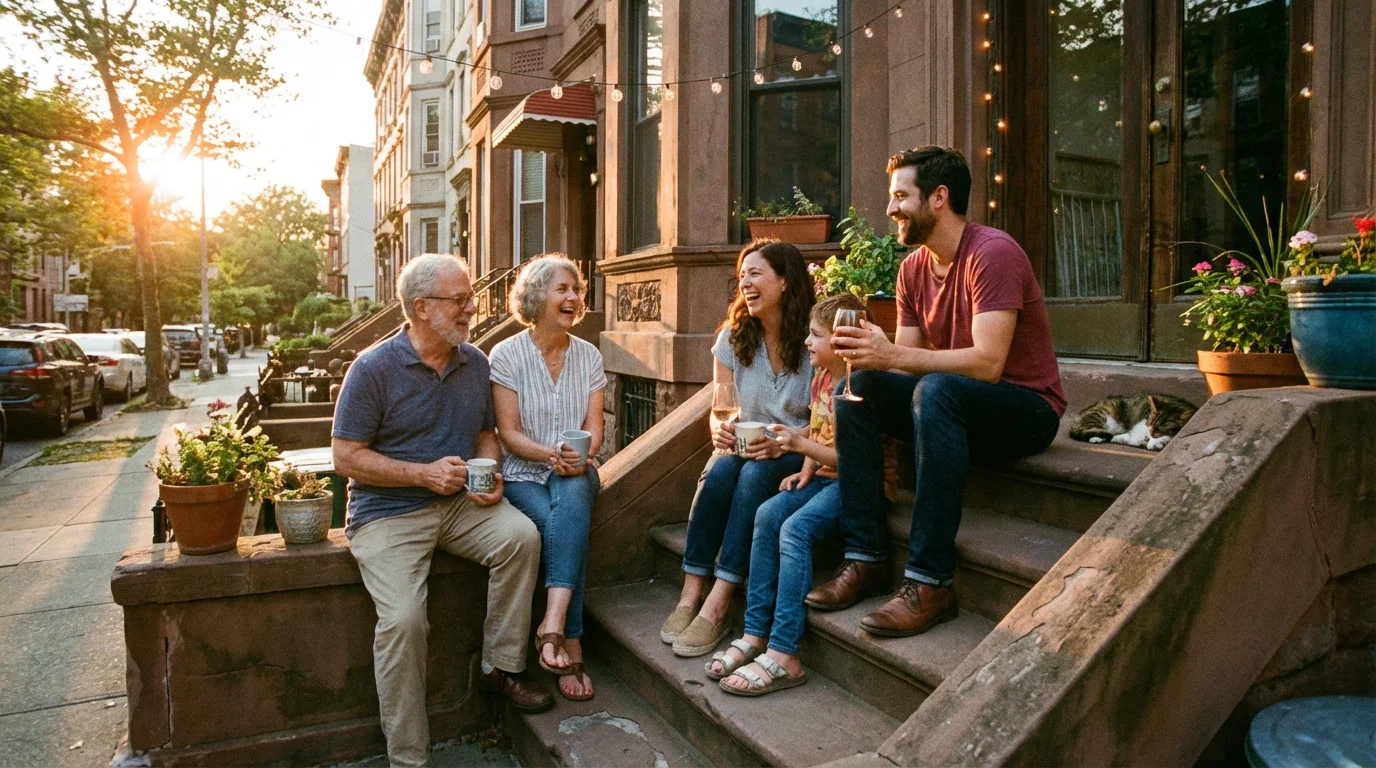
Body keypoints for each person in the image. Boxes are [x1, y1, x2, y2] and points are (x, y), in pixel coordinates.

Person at [809, 146, 1067, 637]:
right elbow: (904, 363)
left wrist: (895, 358)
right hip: (954, 407)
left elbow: (989, 364)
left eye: (900, 196)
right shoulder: (913, 269)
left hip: (1026, 409)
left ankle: (930, 582)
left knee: (937, 391)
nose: (890, 209)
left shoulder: (992, 254)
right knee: (858, 386)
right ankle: (865, 557)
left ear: (938, 198)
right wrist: (873, 363)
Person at [332, 253, 551, 768]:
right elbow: (346, 457)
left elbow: (485, 434)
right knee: (405, 620)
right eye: (460, 300)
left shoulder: (474, 362)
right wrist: (421, 473)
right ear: (421, 308)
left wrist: (490, 473)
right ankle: (409, 757)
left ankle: (500, 666)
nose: (471, 308)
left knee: (521, 537)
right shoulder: (372, 368)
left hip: (457, 506)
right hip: (386, 513)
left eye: (470, 298)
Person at [711, 294, 898, 696]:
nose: (807, 343)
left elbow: (856, 462)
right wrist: (805, 470)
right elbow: (818, 431)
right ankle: (755, 633)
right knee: (767, 514)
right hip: (823, 477)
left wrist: (800, 448)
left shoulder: (859, 385)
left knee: (794, 529)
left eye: (815, 336)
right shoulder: (820, 377)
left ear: (840, 341)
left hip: (858, 487)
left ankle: (785, 654)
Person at [660, 239, 815, 658]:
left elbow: (824, 419)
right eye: (741, 275)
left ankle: (720, 601)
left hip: (794, 450)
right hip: (742, 447)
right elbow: (720, 409)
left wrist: (785, 441)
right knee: (722, 472)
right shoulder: (733, 338)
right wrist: (721, 430)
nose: (744, 282)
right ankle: (690, 594)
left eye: (755, 273)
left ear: (784, 281)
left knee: (752, 476)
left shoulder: (814, 342)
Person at [490, 253, 606, 702]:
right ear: (537, 296)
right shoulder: (506, 355)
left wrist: (583, 455)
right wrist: (549, 454)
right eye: (563, 289)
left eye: (576, 289)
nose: (574, 298)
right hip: (523, 472)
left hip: (575, 471)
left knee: (574, 491)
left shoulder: (589, 355)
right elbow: (509, 434)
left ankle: (552, 624)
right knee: (559, 526)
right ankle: (570, 638)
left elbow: (595, 426)